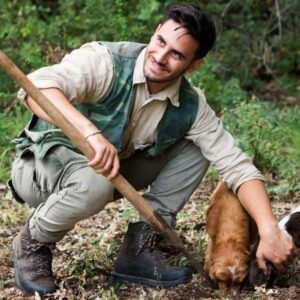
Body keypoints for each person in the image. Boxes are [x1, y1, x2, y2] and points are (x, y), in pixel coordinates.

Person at [9, 3, 296, 296]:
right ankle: (33, 243)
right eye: (160, 42)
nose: (160, 57)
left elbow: (237, 167)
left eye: (177, 54)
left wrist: (270, 228)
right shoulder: (106, 62)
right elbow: (35, 88)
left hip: (107, 173)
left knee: (197, 146)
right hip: (41, 169)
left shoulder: (191, 105)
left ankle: (139, 247)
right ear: (156, 32)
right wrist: (89, 132)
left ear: (194, 64)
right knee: (94, 182)